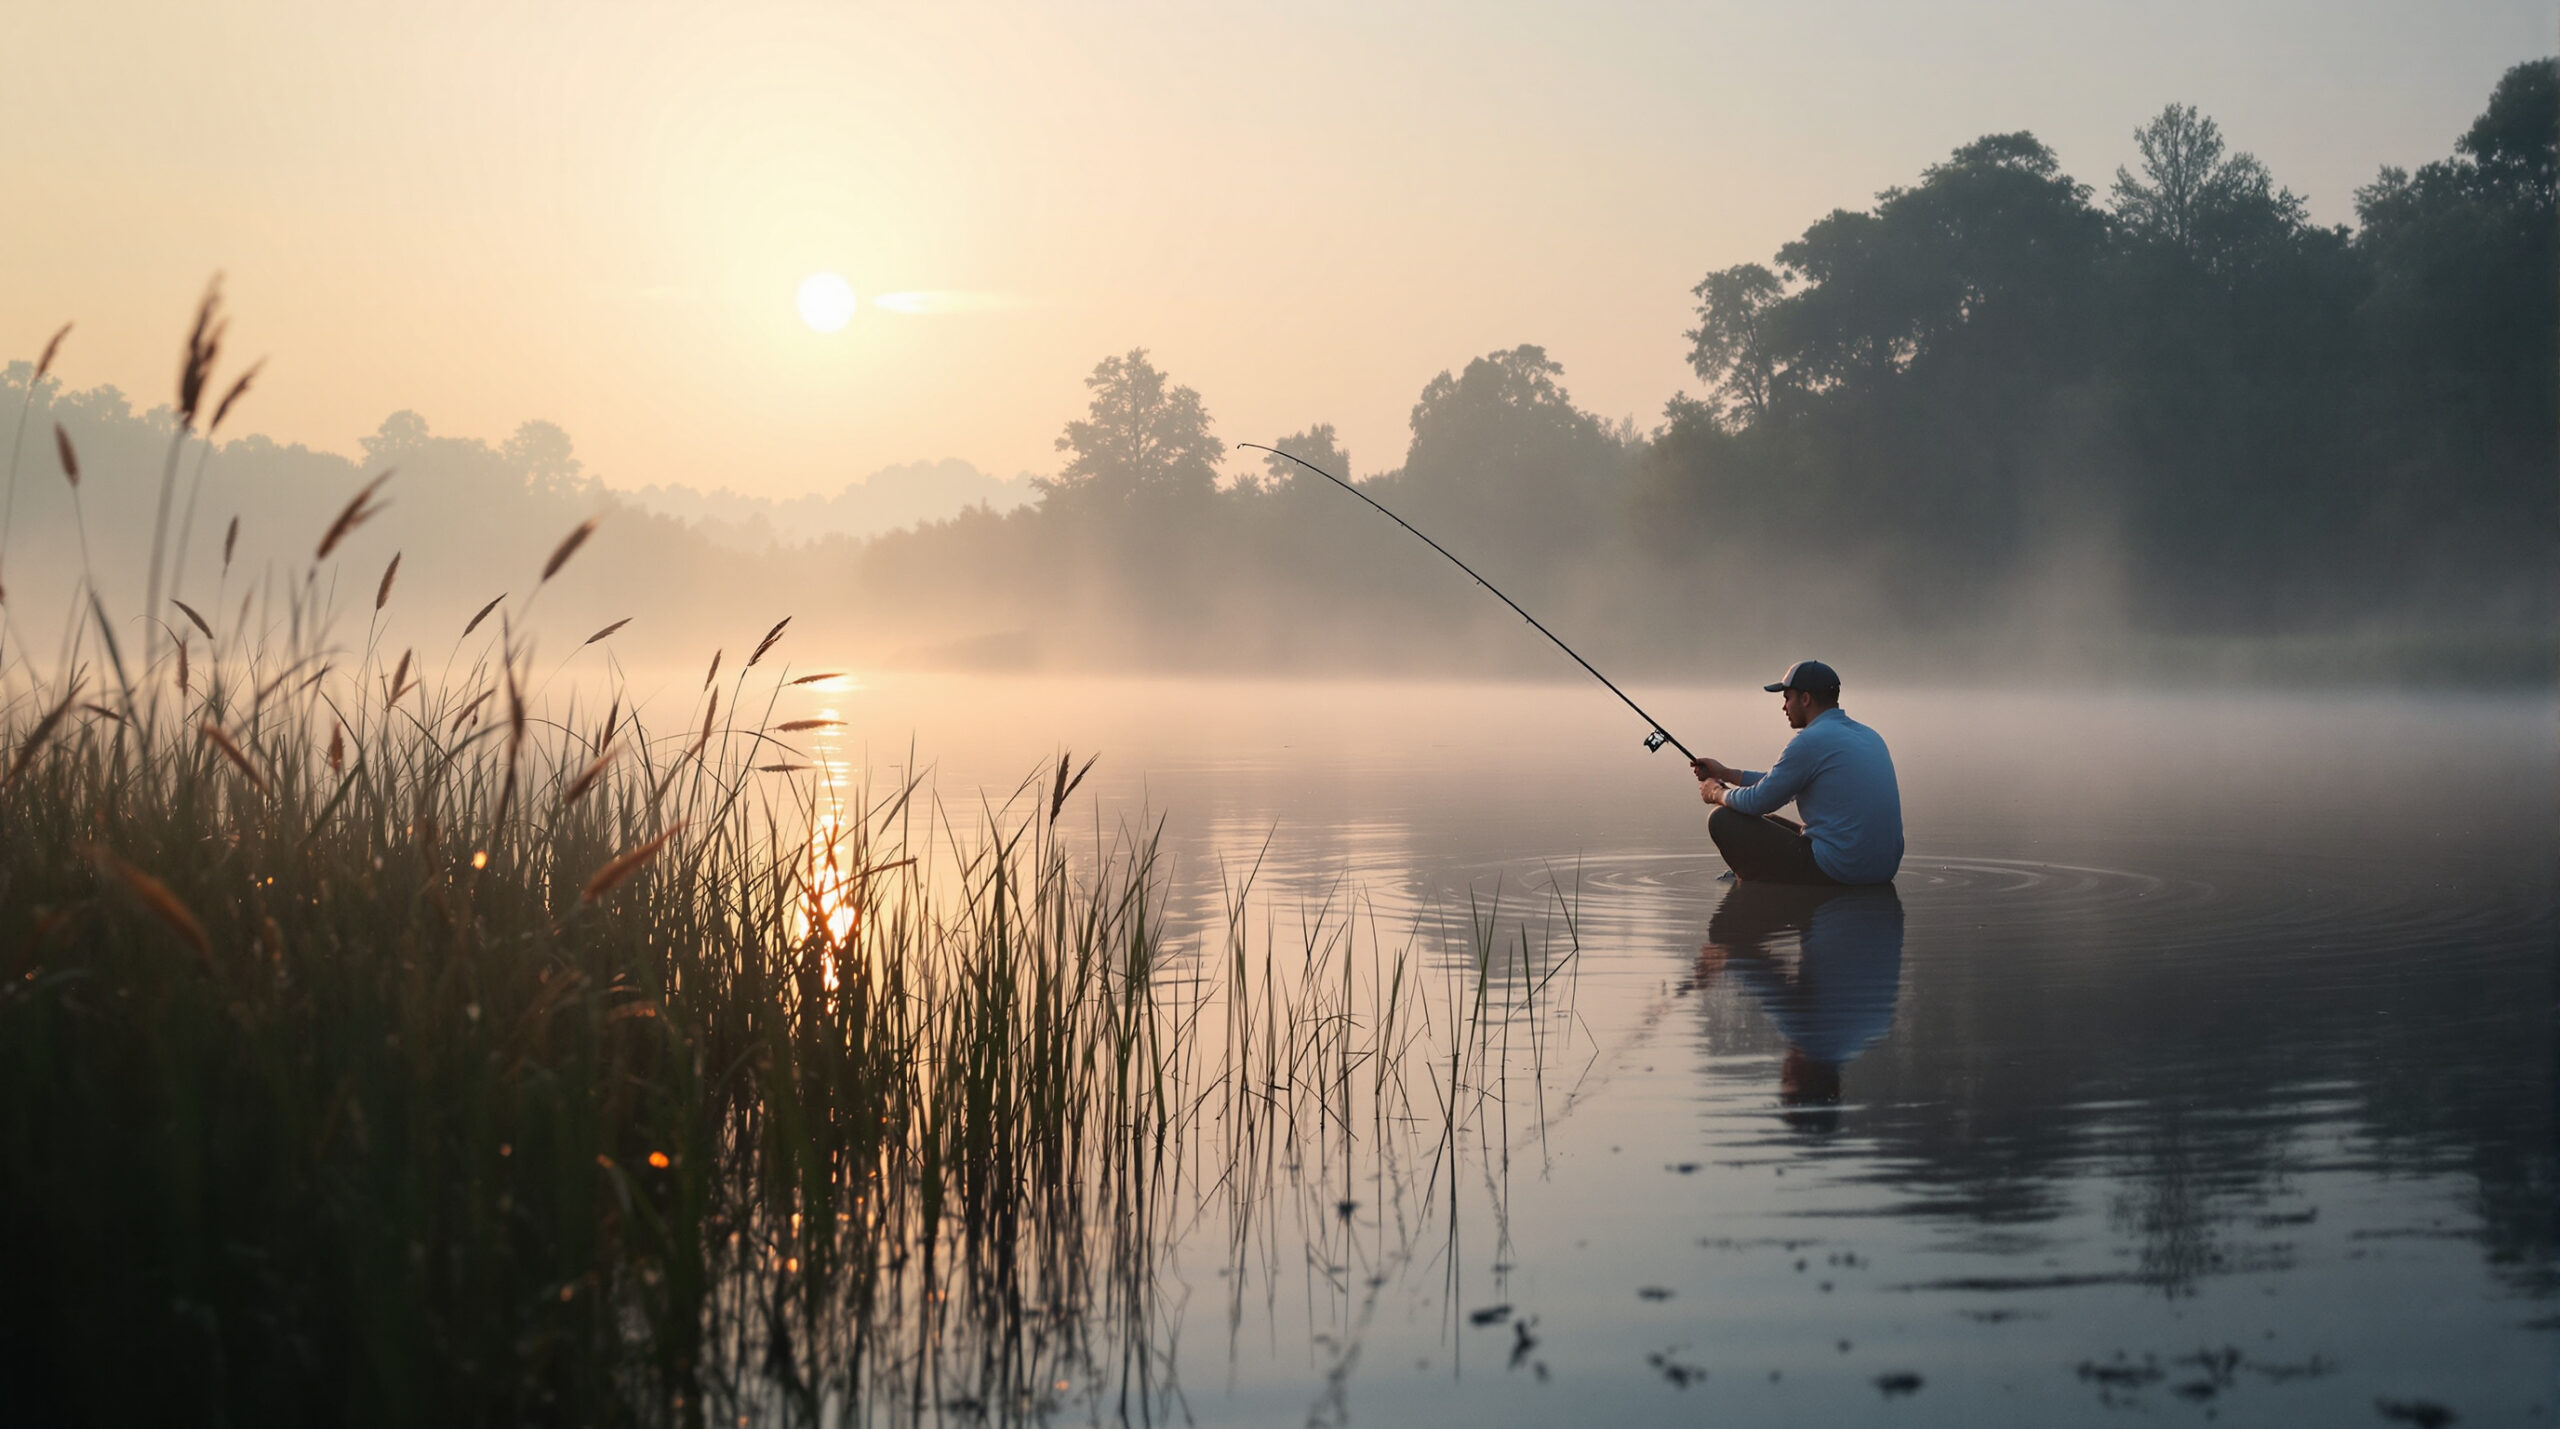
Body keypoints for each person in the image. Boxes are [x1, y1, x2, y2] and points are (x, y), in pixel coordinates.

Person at [1691, 659, 1902, 885]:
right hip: (1883, 869)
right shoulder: (1869, 736)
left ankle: (1752, 885)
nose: (1784, 707)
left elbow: (1758, 801)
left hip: (1843, 871)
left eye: (1787, 698)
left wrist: (1715, 793)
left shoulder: (1810, 741)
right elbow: (1779, 783)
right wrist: (1726, 773)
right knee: (1767, 820)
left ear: (1805, 699)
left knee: (1722, 819)